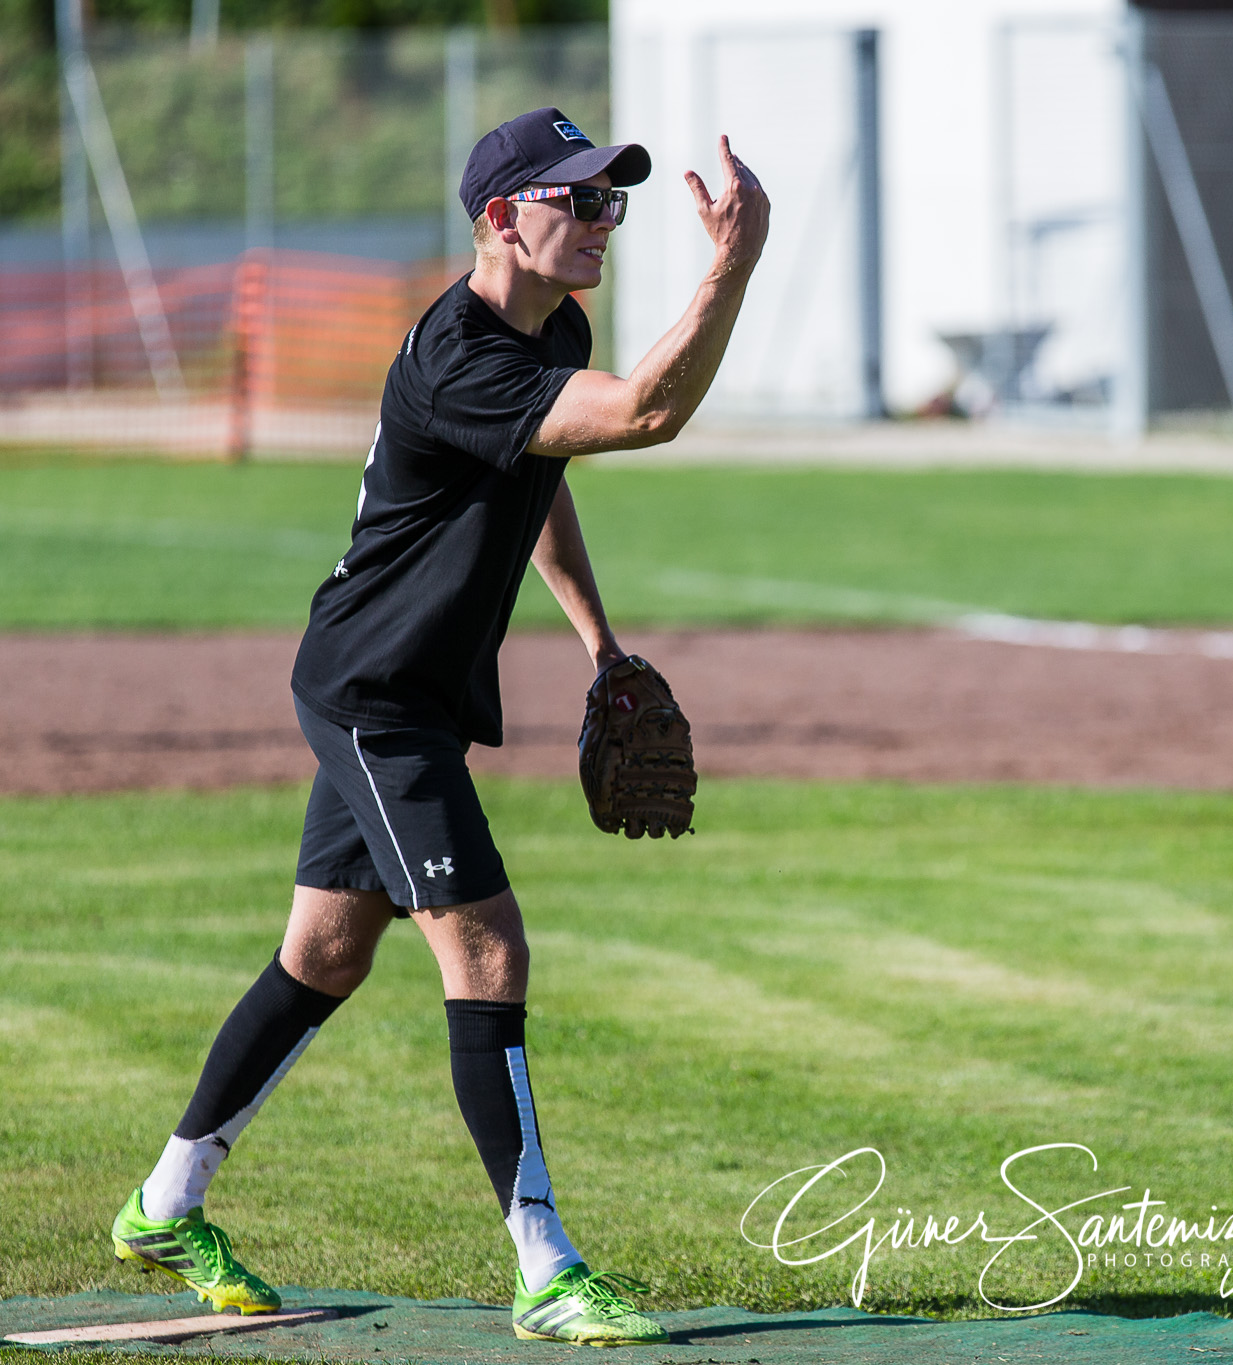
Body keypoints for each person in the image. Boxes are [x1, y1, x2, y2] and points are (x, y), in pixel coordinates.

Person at [107, 108, 769, 1345]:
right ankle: (545, 1265)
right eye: (576, 201)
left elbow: (543, 477)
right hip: (375, 694)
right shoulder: (456, 353)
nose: (600, 222)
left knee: (326, 956)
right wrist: (730, 266)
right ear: (499, 219)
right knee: (489, 953)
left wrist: (598, 642)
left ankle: (164, 1203)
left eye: (611, 201)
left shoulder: (546, 326)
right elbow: (640, 415)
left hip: (407, 693)